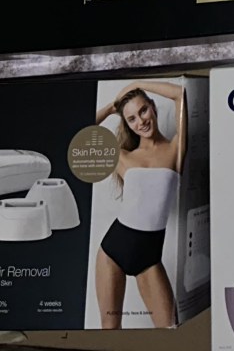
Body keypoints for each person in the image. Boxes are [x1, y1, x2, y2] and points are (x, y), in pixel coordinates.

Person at [94, 81, 186, 329]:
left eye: (143, 110)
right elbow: (80, 136)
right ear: (127, 124)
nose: (141, 121)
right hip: (112, 251)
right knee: (110, 330)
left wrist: (135, 84)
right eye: (132, 119)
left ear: (153, 107)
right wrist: (111, 108)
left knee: (169, 330)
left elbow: (179, 94)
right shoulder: (123, 157)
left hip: (149, 256)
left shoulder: (175, 149)